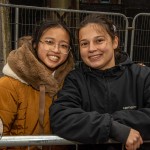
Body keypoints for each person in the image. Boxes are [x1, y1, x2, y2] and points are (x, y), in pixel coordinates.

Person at [50, 14, 150, 150]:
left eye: (99, 40)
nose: (91, 49)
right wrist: (113, 128)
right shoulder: (75, 80)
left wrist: (112, 123)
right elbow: (61, 117)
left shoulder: (142, 76)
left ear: (115, 42)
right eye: (84, 43)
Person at [0, 20, 75, 150]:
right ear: (35, 44)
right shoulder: (9, 84)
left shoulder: (70, 85)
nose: (56, 50)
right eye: (49, 42)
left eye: (63, 45)